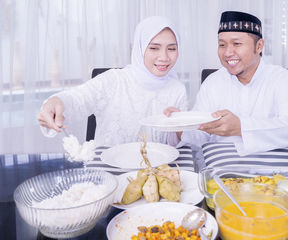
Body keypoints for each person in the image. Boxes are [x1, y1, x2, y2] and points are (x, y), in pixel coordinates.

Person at [166, 11, 288, 155]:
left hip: (276, 170)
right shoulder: (213, 82)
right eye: (222, 44)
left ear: (259, 46)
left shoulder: (282, 79)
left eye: (237, 44)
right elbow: (201, 136)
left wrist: (241, 127)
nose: (227, 52)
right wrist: (181, 124)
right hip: (223, 170)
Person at [38, 16, 187, 147]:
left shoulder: (177, 89)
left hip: (155, 174)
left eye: (172, 49)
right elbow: (78, 98)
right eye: (154, 48)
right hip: (108, 171)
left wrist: (178, 126)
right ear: (140, 49)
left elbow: (176, 144)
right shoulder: (114, 80)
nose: (164, 57)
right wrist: (55, 102)